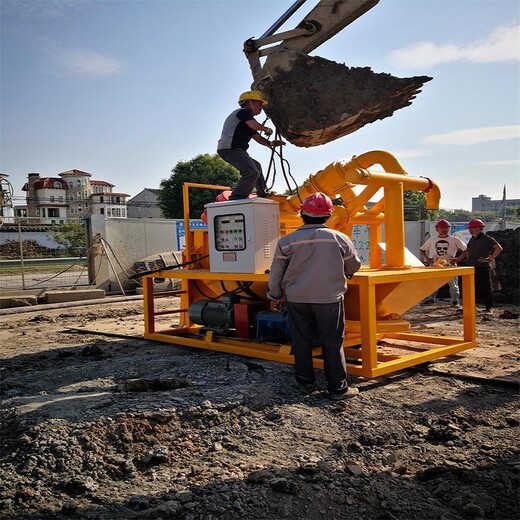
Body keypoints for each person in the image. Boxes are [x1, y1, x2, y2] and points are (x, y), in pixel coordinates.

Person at [267, 192, 362, 401]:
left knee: (301, 340)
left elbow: (276, 272)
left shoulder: (287, 241)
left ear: (302, 213)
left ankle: (305, 383)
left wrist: (274, 295)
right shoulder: (339, 238)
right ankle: (337, 389)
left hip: (297, 299)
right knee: (332, 342)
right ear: (328, 215)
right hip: (329, 299)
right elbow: (353, 265)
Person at [217, 90, 285, 200]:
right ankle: (237, 197)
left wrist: (270, 143)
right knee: (251, 171)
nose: (261, 107)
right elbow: (254, 125)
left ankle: (263, 193)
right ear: (249, 102)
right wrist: (266, 129)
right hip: (230, 149)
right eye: (259, 103)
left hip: (235, 150)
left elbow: (258, 138)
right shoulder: (243, 112)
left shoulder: (247, 120)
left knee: (256, 166)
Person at [453, 219, 503, 313]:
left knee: (486, 288)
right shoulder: (472, 239)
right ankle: (470, 307)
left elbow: (499, 248)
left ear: (479, 228)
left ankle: (489, 308)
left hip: (483, 268)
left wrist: (489, 259)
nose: (470, 230)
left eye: (473, 228)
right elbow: (467, 250)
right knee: (471, 288)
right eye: (470, 228)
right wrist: (457, 259)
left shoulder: (487, 239)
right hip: (471, 267)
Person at [419, 219, 467, 308]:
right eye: (441, 228)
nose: (443, 229)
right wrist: (428, 259)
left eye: (446, 227)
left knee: (453, 285)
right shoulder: (432, 240)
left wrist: (458, 259)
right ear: (437, 229)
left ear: (448, 228)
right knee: (433, 284)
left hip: (450, 266)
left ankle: (455, 302)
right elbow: (422, 249)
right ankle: (431, 299)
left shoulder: (454, 239)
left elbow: (465, 250)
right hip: (435, 266)